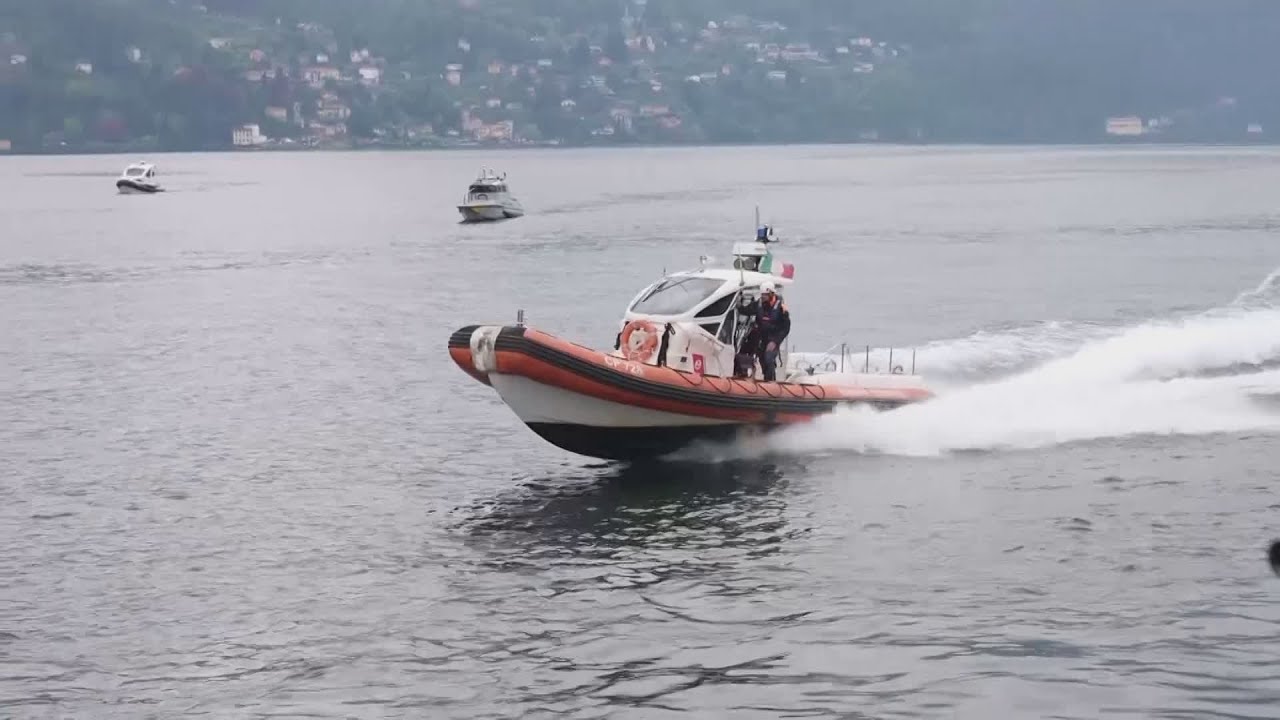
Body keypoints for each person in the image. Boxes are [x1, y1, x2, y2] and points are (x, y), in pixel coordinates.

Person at [754, 281, 790, 382]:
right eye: (762, 295)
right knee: (761, 357)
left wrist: (775, 341)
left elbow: (786, 327)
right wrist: (739, 305)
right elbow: (748, 310)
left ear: (771, 294)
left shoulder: (781, 308)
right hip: (762, 337)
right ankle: (766, 377)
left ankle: (770, 381)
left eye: (765, 295)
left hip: (774, 338)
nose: (763, 297)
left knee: (769, 357)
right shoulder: (759, 304)